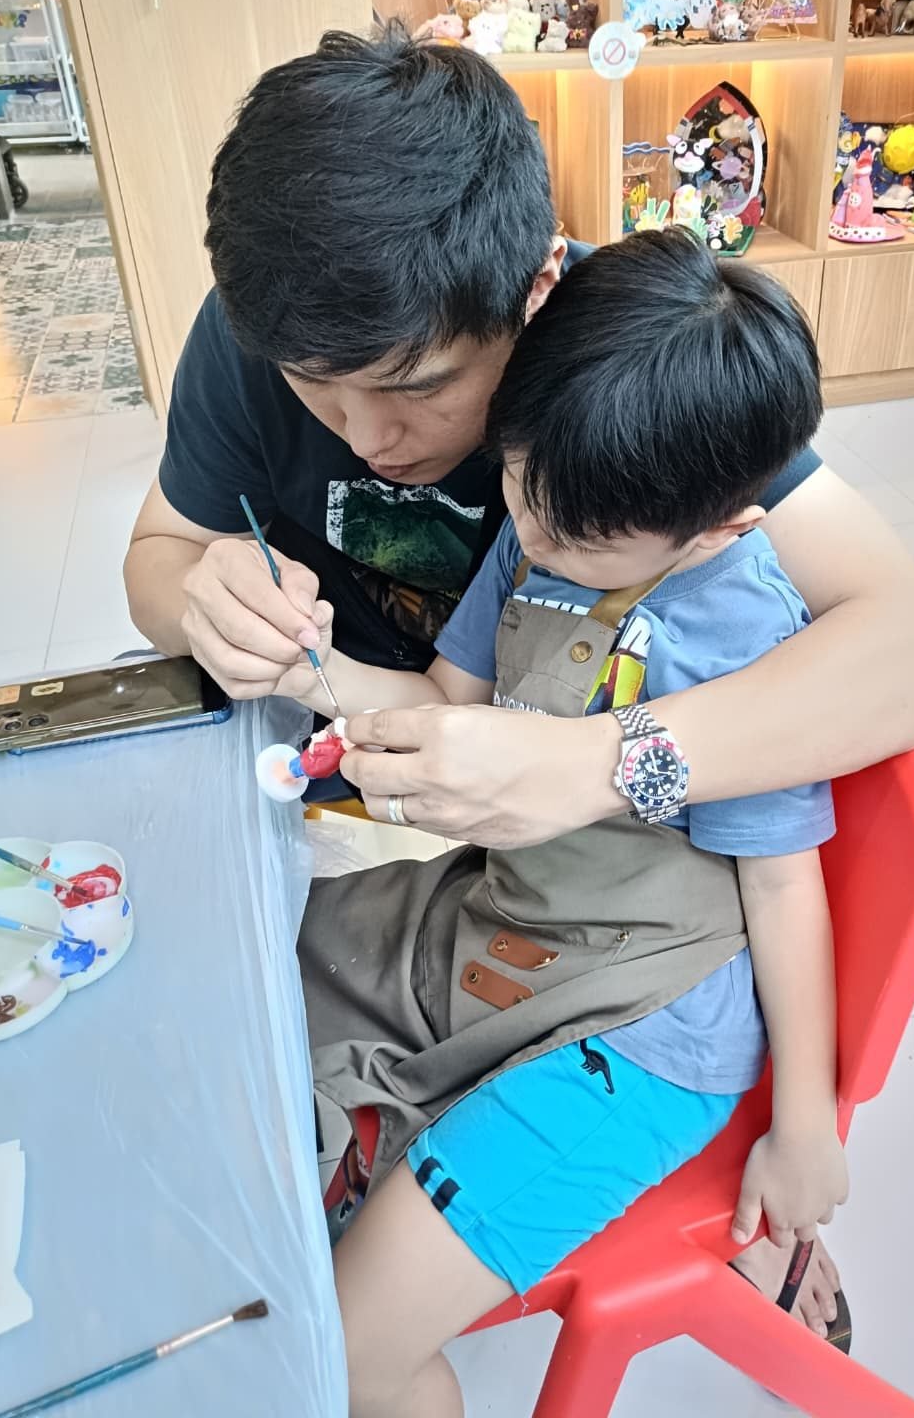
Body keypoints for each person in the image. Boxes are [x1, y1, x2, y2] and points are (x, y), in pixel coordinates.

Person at [123, 23, 914, 1331]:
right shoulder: (276, 325)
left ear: (536, 290)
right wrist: (200, 600)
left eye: (418, 387)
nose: (367, 435)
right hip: (416, 824)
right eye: (318, 388)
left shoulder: (625, 391)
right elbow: (161, 558)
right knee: (203, 995)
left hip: (613, 929)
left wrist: (594, 764)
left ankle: (689, 1212)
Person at [298, 230, 846, 1418]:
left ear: (720, 529)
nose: (530, 544)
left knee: (346, 1349)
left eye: (574, 543)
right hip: (518, 916)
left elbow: (785, 888)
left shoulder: (737, 633)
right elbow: (449, 703)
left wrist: (806, 1125)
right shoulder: (551, 500)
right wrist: (309, 664)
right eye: (518, 493)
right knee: (264, 970)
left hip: (650, 1034)